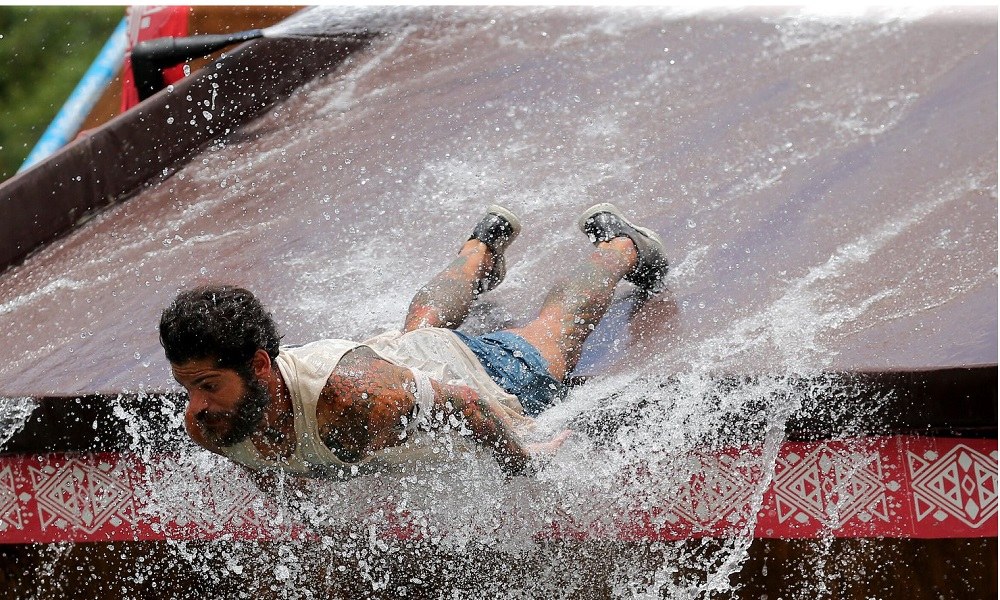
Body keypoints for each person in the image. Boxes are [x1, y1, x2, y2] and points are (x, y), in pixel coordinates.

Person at [159, 203, 669, 484]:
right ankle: (480, 249)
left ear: (259, 365)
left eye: (208, 385)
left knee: (553, 334)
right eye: (187, 388)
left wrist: (522, 464)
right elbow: (266, 466)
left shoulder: (353, 396)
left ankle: (622, 244)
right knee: (420, 331)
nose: (195, 406)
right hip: (396, 358)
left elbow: (465, 403)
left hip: (470, 374)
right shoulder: (213, 421)